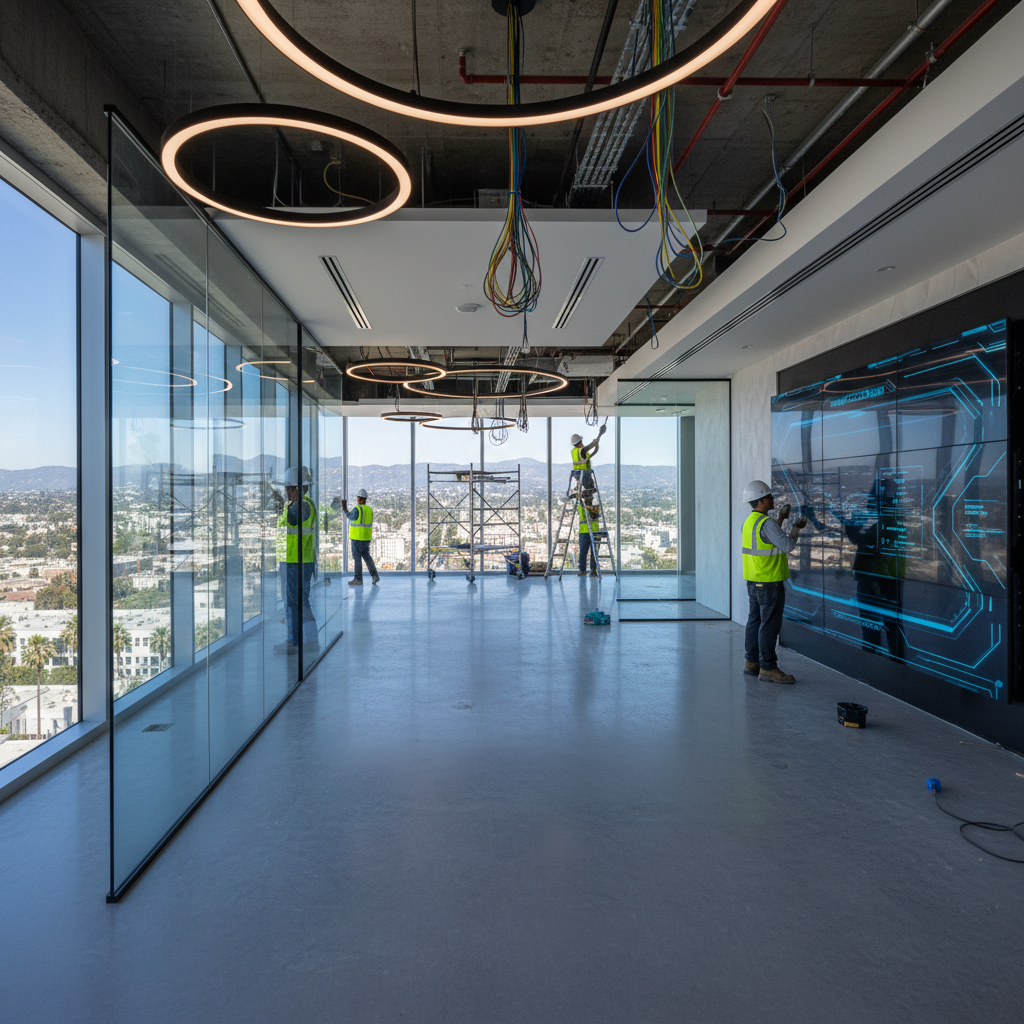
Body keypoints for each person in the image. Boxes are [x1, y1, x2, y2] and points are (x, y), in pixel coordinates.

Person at [741, 480, 807, 683]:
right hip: (769, 582)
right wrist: (795, 528)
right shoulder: (766, 523)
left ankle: (752, 663)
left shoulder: (751, 522)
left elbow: (769, 541)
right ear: (761, 501)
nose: (772, 499)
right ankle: (768, 667)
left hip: (754, 580)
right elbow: (786, 545)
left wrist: (781, 519)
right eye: (769, 497)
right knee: (769, 625)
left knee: (755, 621)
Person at [275, 466, 319, 656]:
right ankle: (311, 639)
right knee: (300, 602)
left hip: (296, 561)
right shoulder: (297, 505)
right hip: (294, 559)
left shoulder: (302, 505)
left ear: (304, 488)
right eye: (287, 488)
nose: (289, 492)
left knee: (294, 603)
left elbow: (293, 519)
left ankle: (294, 642)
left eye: (292, 488)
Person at [342, 488, 379, 586]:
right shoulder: (369, 509)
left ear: (359, 499)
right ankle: (375, 576)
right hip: (366, 538)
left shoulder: (357, 509)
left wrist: (345, 509)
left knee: (357, 559)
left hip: (357, 538)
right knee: (367, 557)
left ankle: (358, 579)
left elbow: (351, 517)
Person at [569, 430, 602, 496]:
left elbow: (587, 457)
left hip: (577, 474)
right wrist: (599, 436)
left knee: (589, 489)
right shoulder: (583, 450)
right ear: (580, 441)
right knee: (591, 490)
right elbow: (591, 446)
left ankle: (577, 490)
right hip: (585, 474)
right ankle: (581, 493)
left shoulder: (574, 451)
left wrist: (596, 441)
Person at [577, 497, 601, 577]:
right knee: (586, 551)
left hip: (589, 532)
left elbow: (591, 514)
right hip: (588, 531)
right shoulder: (593, 508)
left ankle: (591, 570)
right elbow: (586, 513)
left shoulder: (593, 508)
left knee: (591, 552)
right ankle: (585, 570)